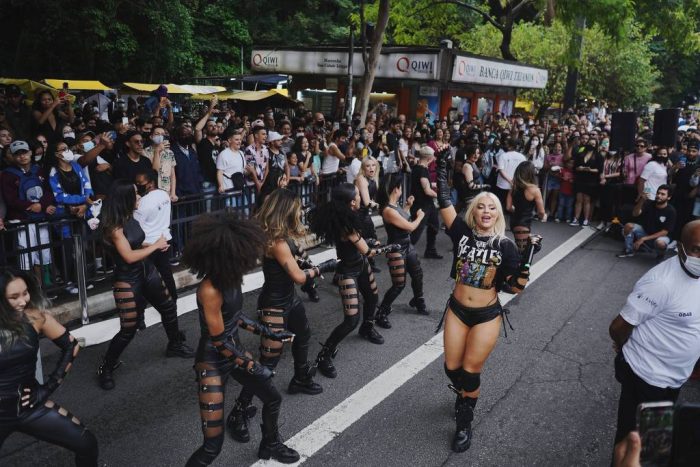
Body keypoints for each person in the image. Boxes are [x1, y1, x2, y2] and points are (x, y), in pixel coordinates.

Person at [434, 149, 539, 453]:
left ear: (497, 215)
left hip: (486, 315)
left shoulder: (505, 246)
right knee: (452, 367)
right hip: (457, 310)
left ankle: (464, 423)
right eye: (481, 206)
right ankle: (463, 394)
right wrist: (441, 169)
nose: (485, 211)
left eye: (491, 208)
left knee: (470, 371)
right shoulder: (461, 233)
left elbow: (514, 288)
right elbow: (443, 201)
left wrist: (527, 262)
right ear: (474, 212)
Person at [182, 213, 300, 465]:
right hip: (213, 362)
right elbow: (219, 341)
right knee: (212, 447)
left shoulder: (231, 277)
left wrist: (271, 333)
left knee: (273, 398)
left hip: (233, 351)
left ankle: (271, 443)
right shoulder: (209, 289)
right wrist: (252, 366)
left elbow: (236, 318)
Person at [227, 189, 336, 443]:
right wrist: (324, 267)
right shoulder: (276, 242)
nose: (300, 211)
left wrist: (309, 264)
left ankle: (300, 378)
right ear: (286, 210)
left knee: (304, 335)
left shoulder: (284, 236)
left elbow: (299, 261)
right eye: (296, 208)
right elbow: (298, 276)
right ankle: (238, 412)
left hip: (290, 300)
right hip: (274, 305)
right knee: (267, 363)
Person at [608, 220, 700, 466]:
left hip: (674, 378)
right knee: (642, 449)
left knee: (653, 446)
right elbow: (618, 327)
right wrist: (623, 348)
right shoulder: (661, 283)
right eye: (697, 250)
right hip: (649, 378)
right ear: (680, 248)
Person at [97, 180, 194, 390]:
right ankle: (106, 366)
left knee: (168, 307)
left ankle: (175, 345)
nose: (140, 197)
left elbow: (136, 243)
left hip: (146, 271)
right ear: (125, 199)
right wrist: (156, 246)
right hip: (127, 279)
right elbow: (129, 256)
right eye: (136, 194)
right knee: (128, 329)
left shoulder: (129, 217)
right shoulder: (114, 227)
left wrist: (151, 246)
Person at [0, 269, 98, 466]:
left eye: (25, 293)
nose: (23, 301)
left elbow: (71, 345)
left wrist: (48, 387)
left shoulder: (35, 317)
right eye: (14, 297)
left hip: (29, 408)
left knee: (87, 443)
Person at [310, 183, 390, 376]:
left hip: (361, 265)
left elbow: (360, 245)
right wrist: (391, 248)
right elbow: (368, 251)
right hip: (348, 272)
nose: (360, 196)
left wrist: (367, 241)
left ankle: (367, 328)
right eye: (357, 194)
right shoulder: (346, 225)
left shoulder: (348, 216)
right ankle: (324, 355)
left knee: (372, 299)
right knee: (351, 320)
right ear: (352, 201)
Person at [0, 140, 56, 289]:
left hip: (40, 218)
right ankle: (30, 288)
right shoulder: (7, 175)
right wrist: (32, 206)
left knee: (43, 253)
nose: (22, 156)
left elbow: (49, 191)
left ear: (30, 153)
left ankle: (43, 286)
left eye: (24, 152)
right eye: (17, 154)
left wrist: (42, 205)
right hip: (22, 220)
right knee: (26, 256)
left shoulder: (40, 169)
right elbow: (10, 199)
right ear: (12, 157)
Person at [375, 173, 427, 327]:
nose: (401, 190)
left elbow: (403, 220)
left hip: (407, 246)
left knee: (417, 274)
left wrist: (408, 207)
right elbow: (410, 226)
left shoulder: (395, 206)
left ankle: (418, 300)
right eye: (400, 187)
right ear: (395, 189)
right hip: (396, 249)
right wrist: (420, 216)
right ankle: (381, 313)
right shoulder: (388, 210)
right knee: (399, 284)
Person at [134, 169, 178, 301]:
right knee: (165, 273)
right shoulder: (164, 194)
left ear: (150, 183)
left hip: (148, 244)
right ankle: (173, 298)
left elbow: (136, 225)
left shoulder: (143, 203)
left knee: (144, 275)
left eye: (140, 182)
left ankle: (146, 301)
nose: (138, 185)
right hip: (164, 239)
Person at [617, 185, 676, 260]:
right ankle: (629, 250)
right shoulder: (650, 204)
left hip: (661, 237)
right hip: (646, 232)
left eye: (662, 194)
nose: (659, 195)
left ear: (669, 197)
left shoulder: (671, 211)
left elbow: (664, 232)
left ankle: (660, 255)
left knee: (660, 243)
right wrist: (642, 200)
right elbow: (635, 214)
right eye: (658, 193)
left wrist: (644, 239)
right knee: (628, 226)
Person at [507, 161, 546, 255]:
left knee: (524, 250)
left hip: (514, 222)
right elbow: (541, 212)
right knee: (523, 254)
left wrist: (518, 210)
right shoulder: (535, 190)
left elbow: (508, 207)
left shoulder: (514, 187)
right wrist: (543, 216)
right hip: (524, 224)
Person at [410, 145, 442, 259]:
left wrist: (435, 185)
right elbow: (427, 191)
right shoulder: (422, 170)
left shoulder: (418, 168)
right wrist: (440, 196)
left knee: (434, 226)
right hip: (421, 205)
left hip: (427, 204)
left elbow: (424, 184)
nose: (434, 159)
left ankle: (430, 251)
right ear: (429, 158)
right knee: (416, 232)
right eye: (433, 157)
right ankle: (401, 252)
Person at [355, 157, 381, 272]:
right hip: (356, 214)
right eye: (368, 166)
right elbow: (366, 201)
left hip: (364, 213)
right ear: (363, 168)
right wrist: (381, 206)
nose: (371, 168)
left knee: (369, 238)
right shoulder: (361, 179)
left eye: (373, 165)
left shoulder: (373, 179)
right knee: (361, 240)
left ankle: (369, 264)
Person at [571, 137, 602, 227]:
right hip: (580, 179)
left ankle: (586, 219)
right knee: (579, 199)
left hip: (591, 180)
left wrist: (590, 170)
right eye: (590, 143)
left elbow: (599, 170)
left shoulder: (598, 156)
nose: (591, 145)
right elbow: (574, 167)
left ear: (596, 145)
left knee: (587, 200)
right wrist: (579, 168)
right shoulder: (580, 154)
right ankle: (576, 218)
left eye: (593, 144)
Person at [144, 126, 178, 202]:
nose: (160, 136)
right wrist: (157, 151)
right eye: (157, 134)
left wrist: (173, 193)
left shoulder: (169, 152)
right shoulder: (145, 152)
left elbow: (172, 175)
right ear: (151, 136)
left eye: (162, 134)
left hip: (166, 192)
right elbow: (155, 170)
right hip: (152, 192)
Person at [494, 138, 526, 209]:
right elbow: (523, 171)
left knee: (500, 206)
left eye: (506, 144)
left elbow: (501, 171)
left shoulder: (503, 156)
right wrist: (514, 181)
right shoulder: (522, 157)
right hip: (516, 185)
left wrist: (509, 181)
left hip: (502, 185)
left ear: (510, 146)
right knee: (512, 206)